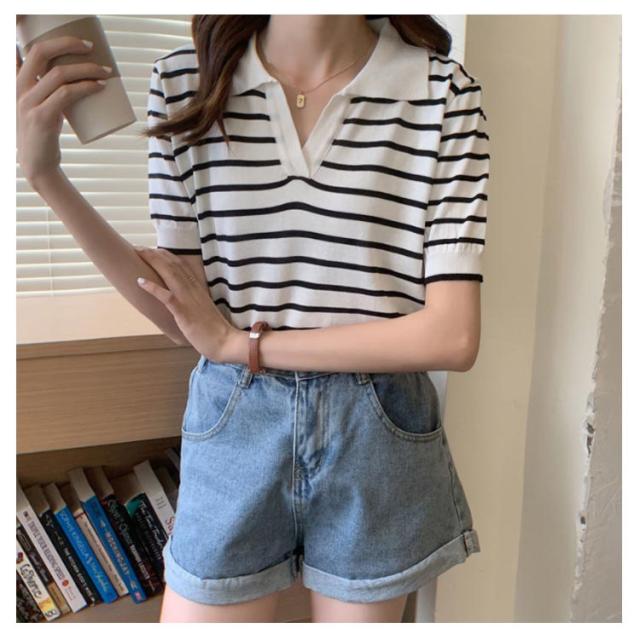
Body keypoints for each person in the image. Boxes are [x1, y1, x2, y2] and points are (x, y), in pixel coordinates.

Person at [16, 14, 488, 623]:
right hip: (237, 419)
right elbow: (183, 313)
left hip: (375, 428)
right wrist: (45, 176)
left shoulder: (441, 93)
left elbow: (453, 336)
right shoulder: (187, 82)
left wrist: (241, 346)